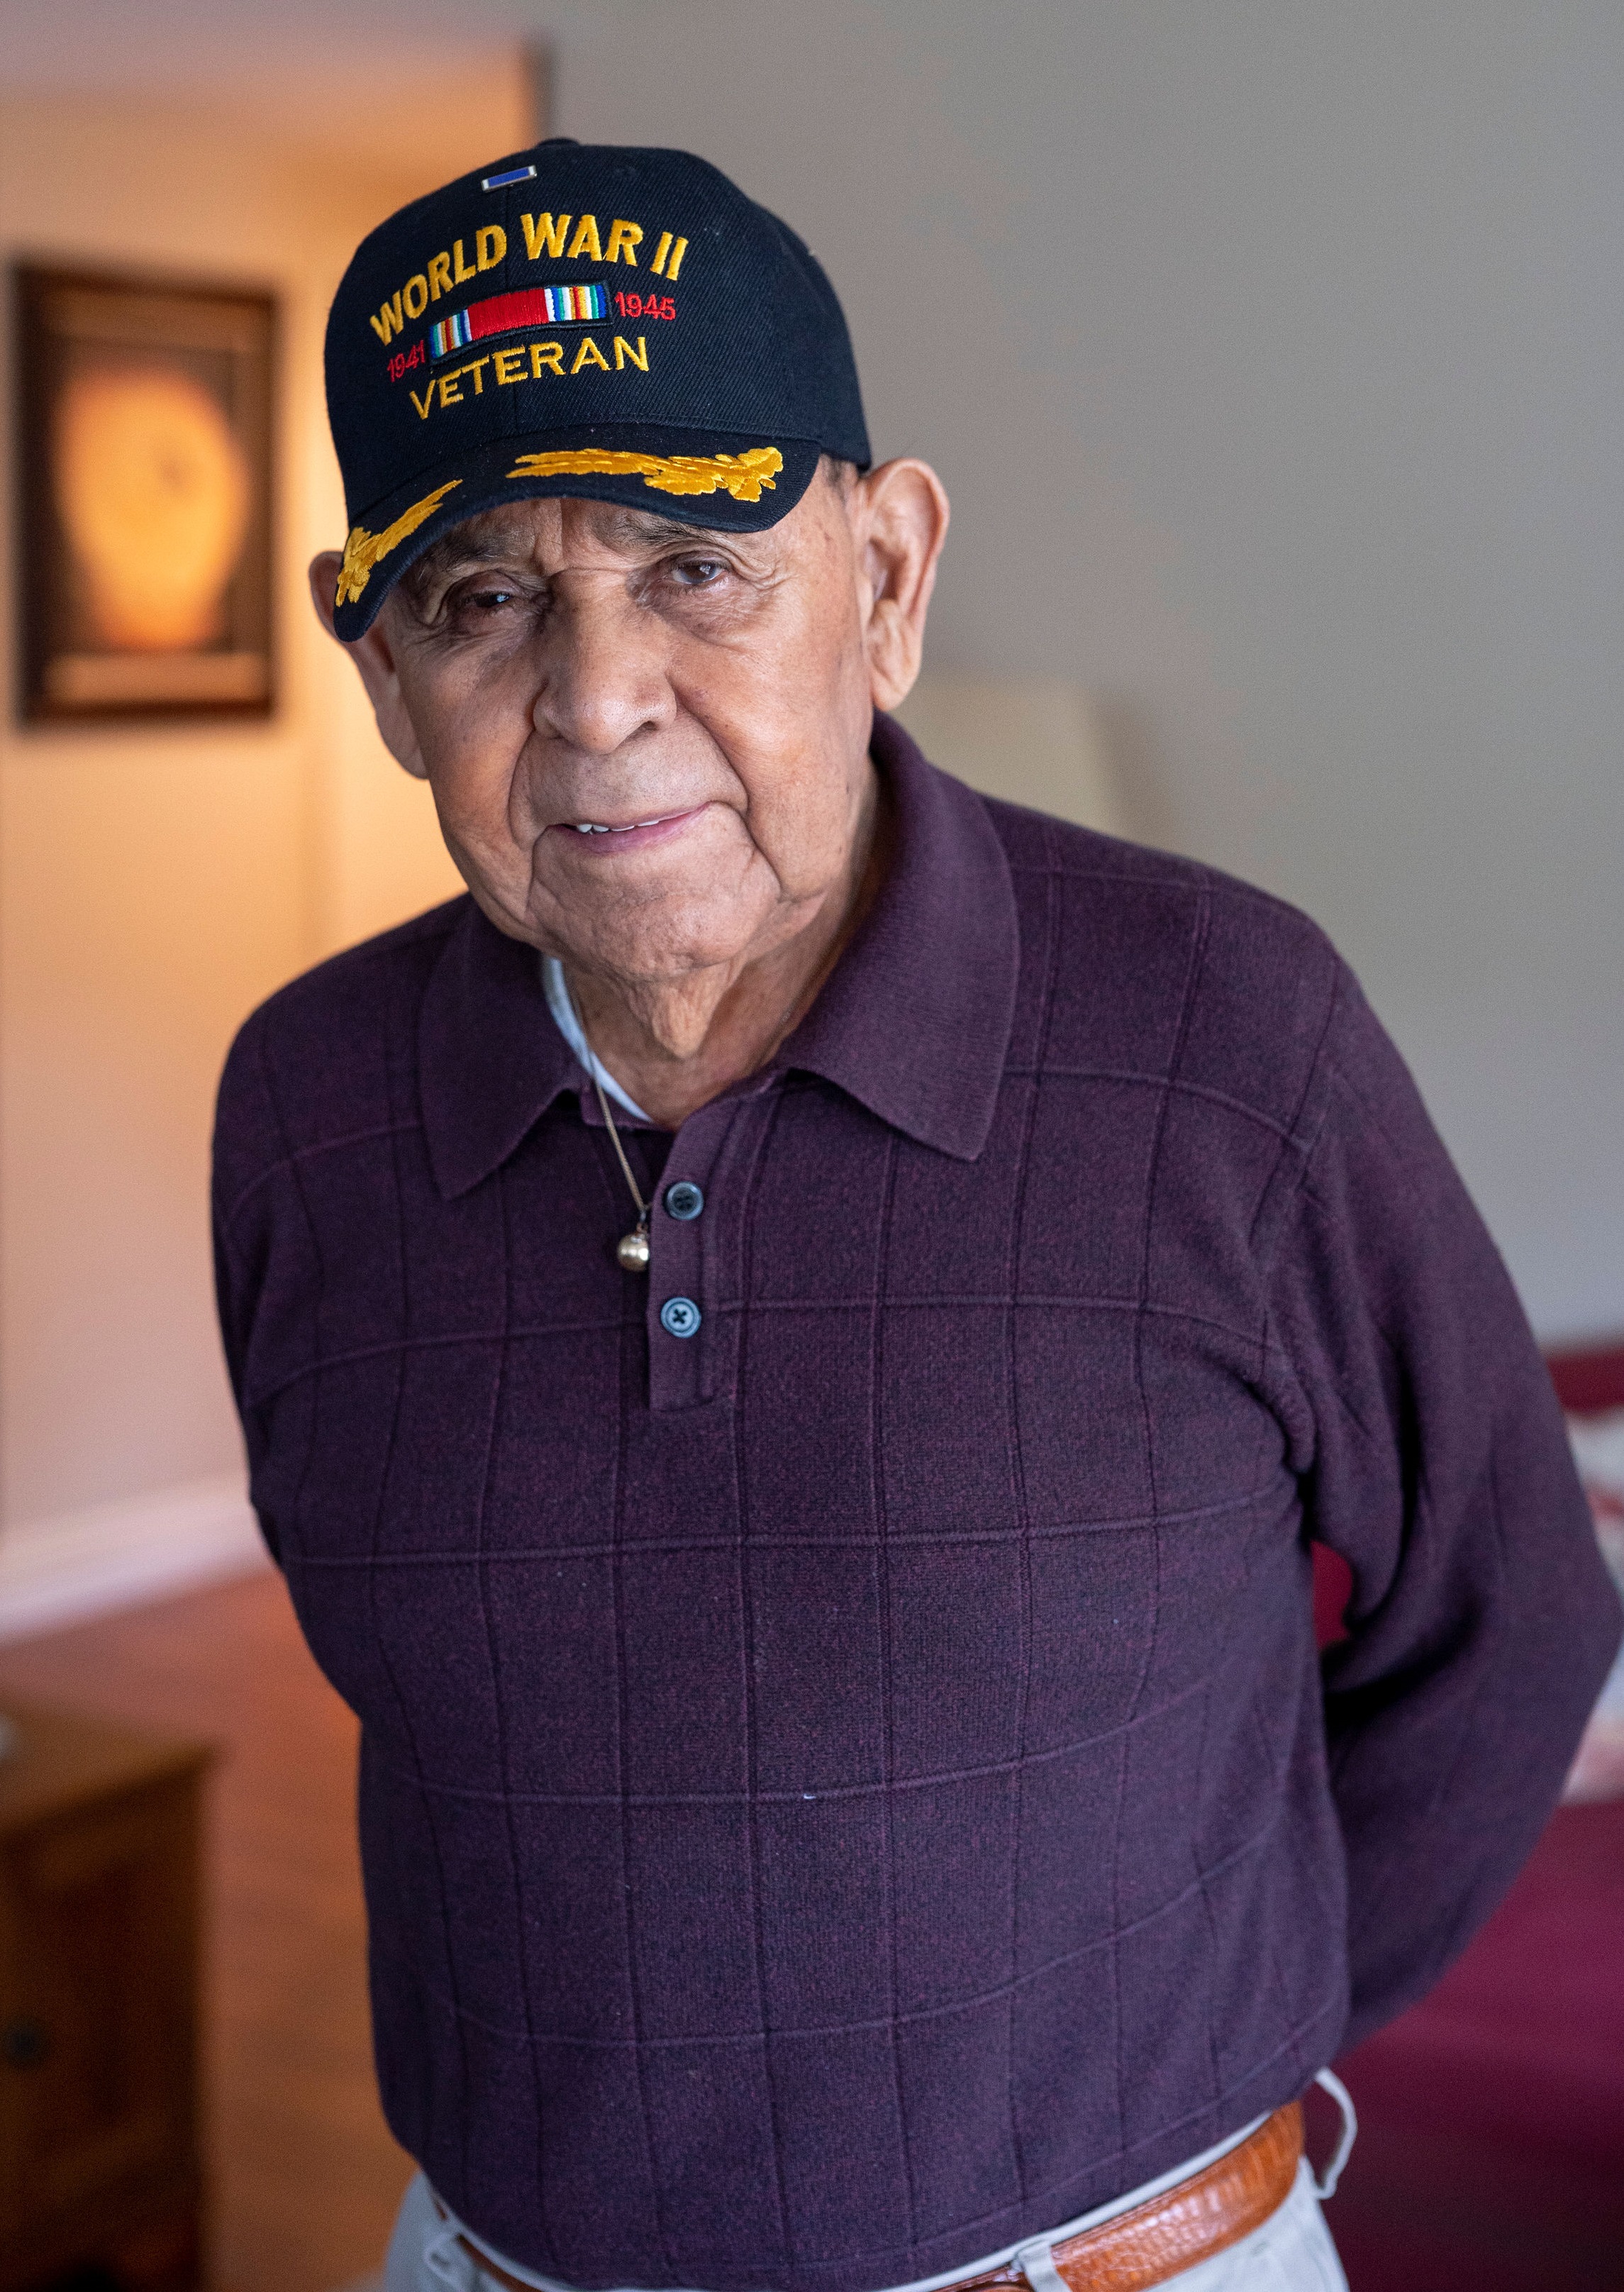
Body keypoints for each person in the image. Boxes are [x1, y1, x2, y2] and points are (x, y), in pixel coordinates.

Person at [212, 140, 1620, 2292]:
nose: (595, 701)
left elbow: (1513, 1615)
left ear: (887, 577)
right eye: (482, 596)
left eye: (696, 565)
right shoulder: (304, 1107)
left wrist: (1195, 2042)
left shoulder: (1227, 1033)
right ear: (383, 670)